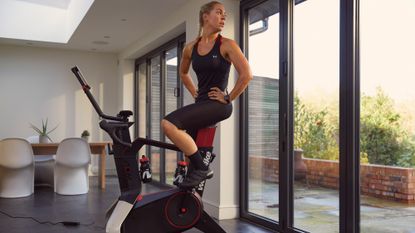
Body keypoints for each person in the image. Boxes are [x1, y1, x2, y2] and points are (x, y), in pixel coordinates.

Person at [161, 1, 252, 188]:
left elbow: (247, 75)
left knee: (168, 124)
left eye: (225, 14)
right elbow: (183, 73)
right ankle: (190, 199)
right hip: (201, 103)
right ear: (205, 16)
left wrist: (228, 97)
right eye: (219, 12)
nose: (223, 17)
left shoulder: (227, 45)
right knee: (189, 151)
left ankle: (203, 168)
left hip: (218, 105)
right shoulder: (190, 48)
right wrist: (194, 91)